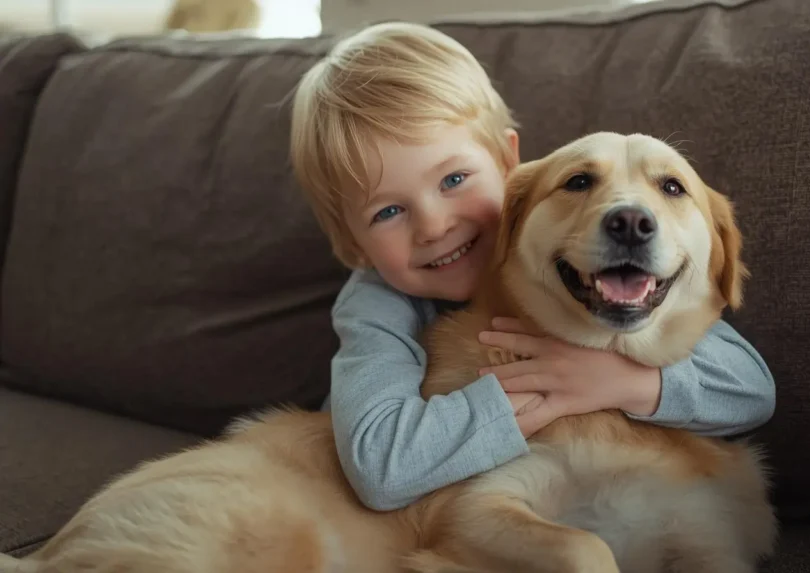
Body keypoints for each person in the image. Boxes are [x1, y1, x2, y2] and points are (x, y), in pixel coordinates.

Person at [289, 22, 775, 512]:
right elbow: (381, 468)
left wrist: (621, 380)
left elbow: (750, 392)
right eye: (388, 212)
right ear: (354, 246)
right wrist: (540, 393)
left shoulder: (563, 253)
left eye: (454, 178)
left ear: (508, 163)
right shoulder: (376, 303)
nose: (434, 226)